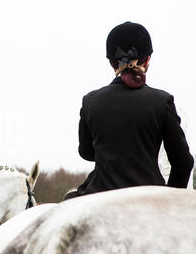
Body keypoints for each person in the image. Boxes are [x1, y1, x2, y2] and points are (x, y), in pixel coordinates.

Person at [65, 22, 194, 200]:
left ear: (112, 62)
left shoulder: (90, 101)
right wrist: (167, 201)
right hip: (150, 197)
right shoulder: (162, 101)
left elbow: (86, 153)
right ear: (147, 59)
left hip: (97, 193)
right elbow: (184, 164)